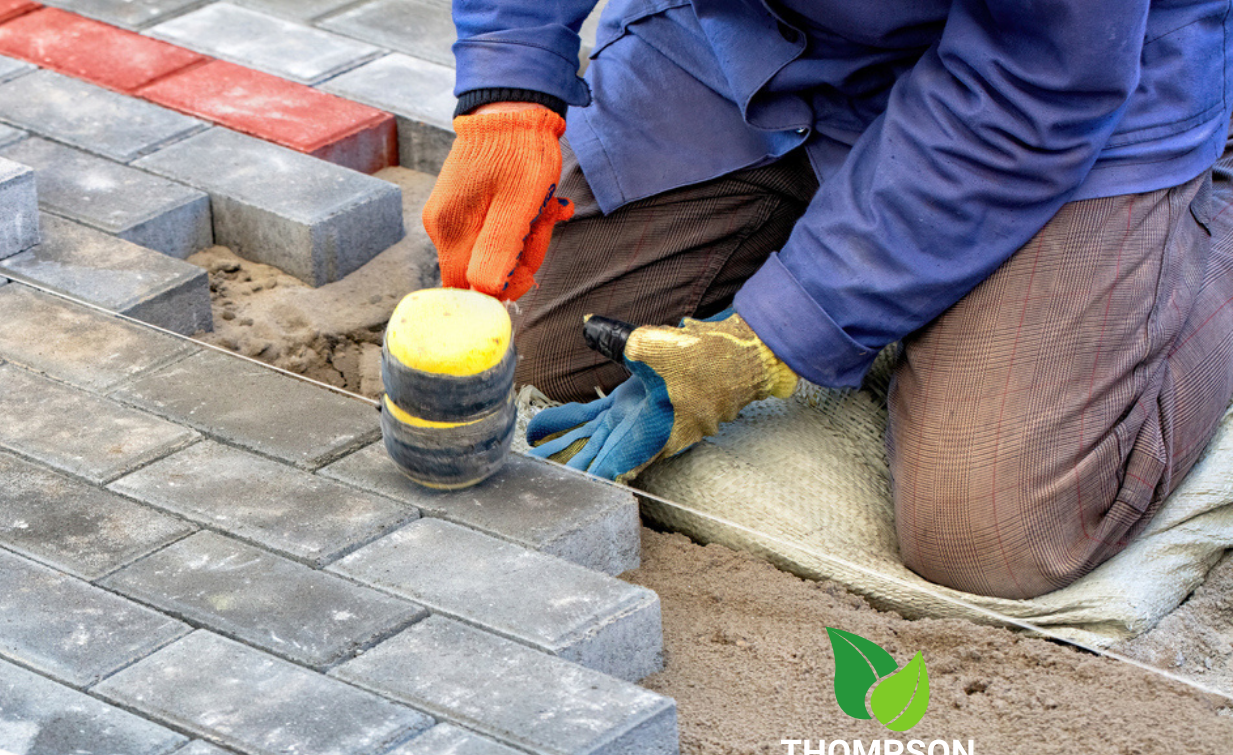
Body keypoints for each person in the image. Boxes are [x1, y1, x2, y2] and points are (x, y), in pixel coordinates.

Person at [423, 0, 1233, 599]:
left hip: (1060, 86)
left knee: (995, 533)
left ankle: (1195, 221)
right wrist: (509, 86)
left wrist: (769, 338)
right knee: (543, 356)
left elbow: (1034, 82)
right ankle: (857, 225)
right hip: (752, 39)